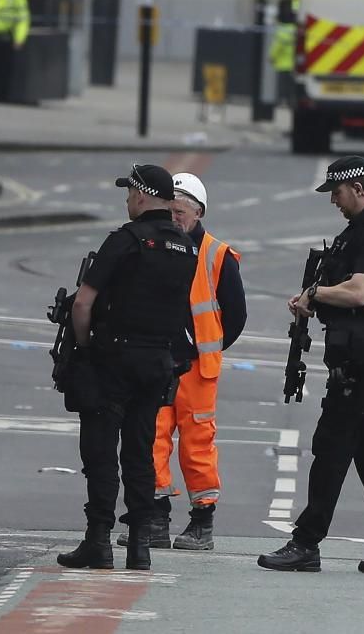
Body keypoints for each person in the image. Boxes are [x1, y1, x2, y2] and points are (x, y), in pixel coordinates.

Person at [258, 155, 364, 575]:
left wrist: (315, 294)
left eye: (337, 191)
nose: (333, 199)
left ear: (359, 189)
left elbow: (361, 292)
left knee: (331, 447)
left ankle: (306, 542)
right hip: (355, 357)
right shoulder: (359, 233)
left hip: (362, 361)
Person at [56, 164, 198, 572]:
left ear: (140, 195)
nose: (126, 200)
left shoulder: (125, 240)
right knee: (139, 454)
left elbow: (83, 303)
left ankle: (98, 542)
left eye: (129, 193)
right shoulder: (184, 245)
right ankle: (140, 546)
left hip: (113, 359)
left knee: (101, 452)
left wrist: (83, 347)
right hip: (157, 363)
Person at [117, 173, 246, 551]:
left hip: (196, 367)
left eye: (181, 211)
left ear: (199, 212)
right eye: (170, 209)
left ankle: (201, 523)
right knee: (151, 437)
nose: (174, 217)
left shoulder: (217, 255)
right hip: (158, 361)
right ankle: (155, 518)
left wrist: (208, 347)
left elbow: (235, 315)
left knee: (197, 444)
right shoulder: (155, 243)